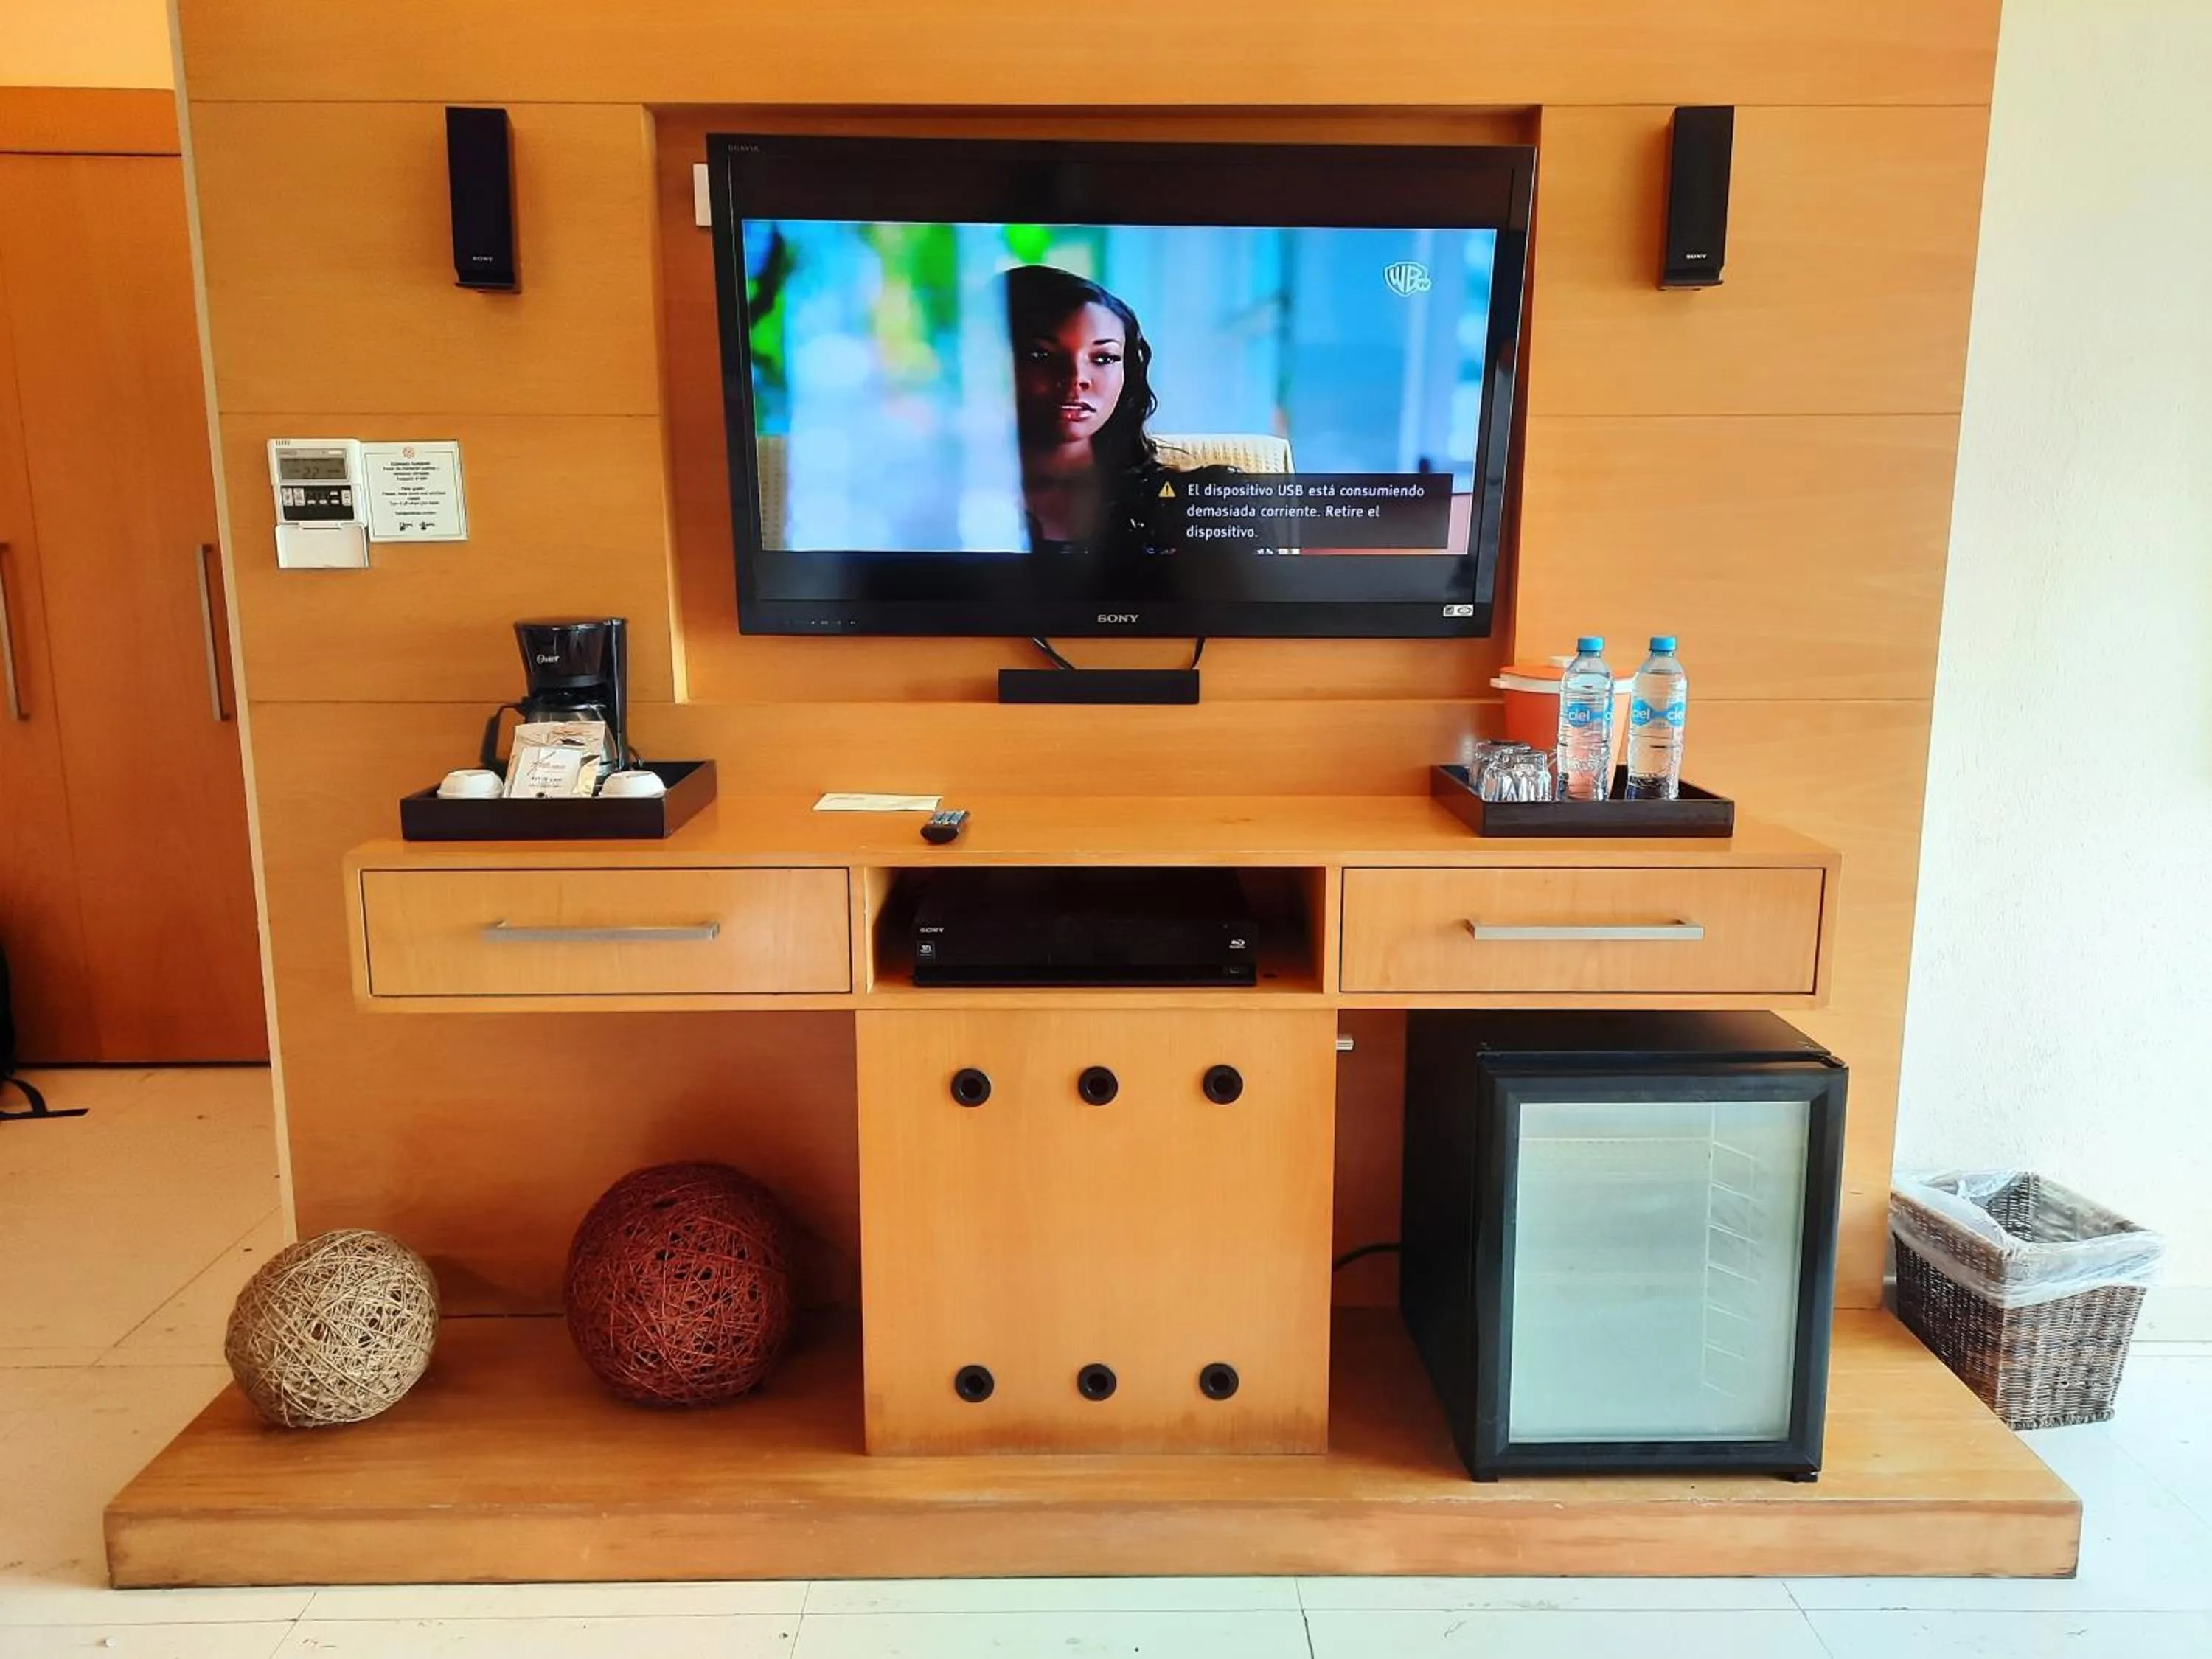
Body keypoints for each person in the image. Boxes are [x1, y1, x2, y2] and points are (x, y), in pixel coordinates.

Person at [1004, 265, 1189, 567]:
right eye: (1041, 355)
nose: (1076, 378)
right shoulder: (932, 508)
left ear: (1127, 371)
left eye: (1104, 358)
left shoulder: (1192, 505)